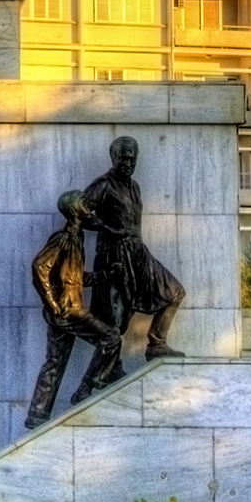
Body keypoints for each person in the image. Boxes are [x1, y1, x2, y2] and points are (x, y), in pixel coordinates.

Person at [78, 136, 186, 394]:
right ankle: (110, 370)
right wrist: (105, 227)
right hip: (115, 254)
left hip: (138, 252)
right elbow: (78, 211)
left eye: (131, 158)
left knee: (174, 291)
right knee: (115, 319)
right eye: (123, 158)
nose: (127, 163)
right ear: (113, 158)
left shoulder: (134, 187)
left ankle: (157, 343)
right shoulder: (103, 184)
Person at [26, 190, 115, 426]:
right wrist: (52, 303)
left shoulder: (76, 238)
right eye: (86, 204)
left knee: (54, 362)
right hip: (67, 310)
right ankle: (85, 389)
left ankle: (37, 415)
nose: (91, 208)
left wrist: (105, 275)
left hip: (65, 309)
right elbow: (39, 267)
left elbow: (75, 278)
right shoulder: (64, 238)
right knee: (111, 339)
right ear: (75, 211)